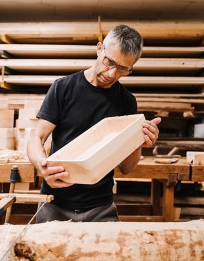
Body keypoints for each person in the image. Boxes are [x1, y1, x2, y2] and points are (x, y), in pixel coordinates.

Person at [27, 24, 161, 223]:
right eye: (109, 62)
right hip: (55, 202)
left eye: (123, 69)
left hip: (101, 208)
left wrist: (139, 141)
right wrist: (41, 166)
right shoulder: (63, 88)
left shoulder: (126, 101)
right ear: (99, 48)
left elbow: (126, 167)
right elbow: (36, 137)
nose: (112, 74)